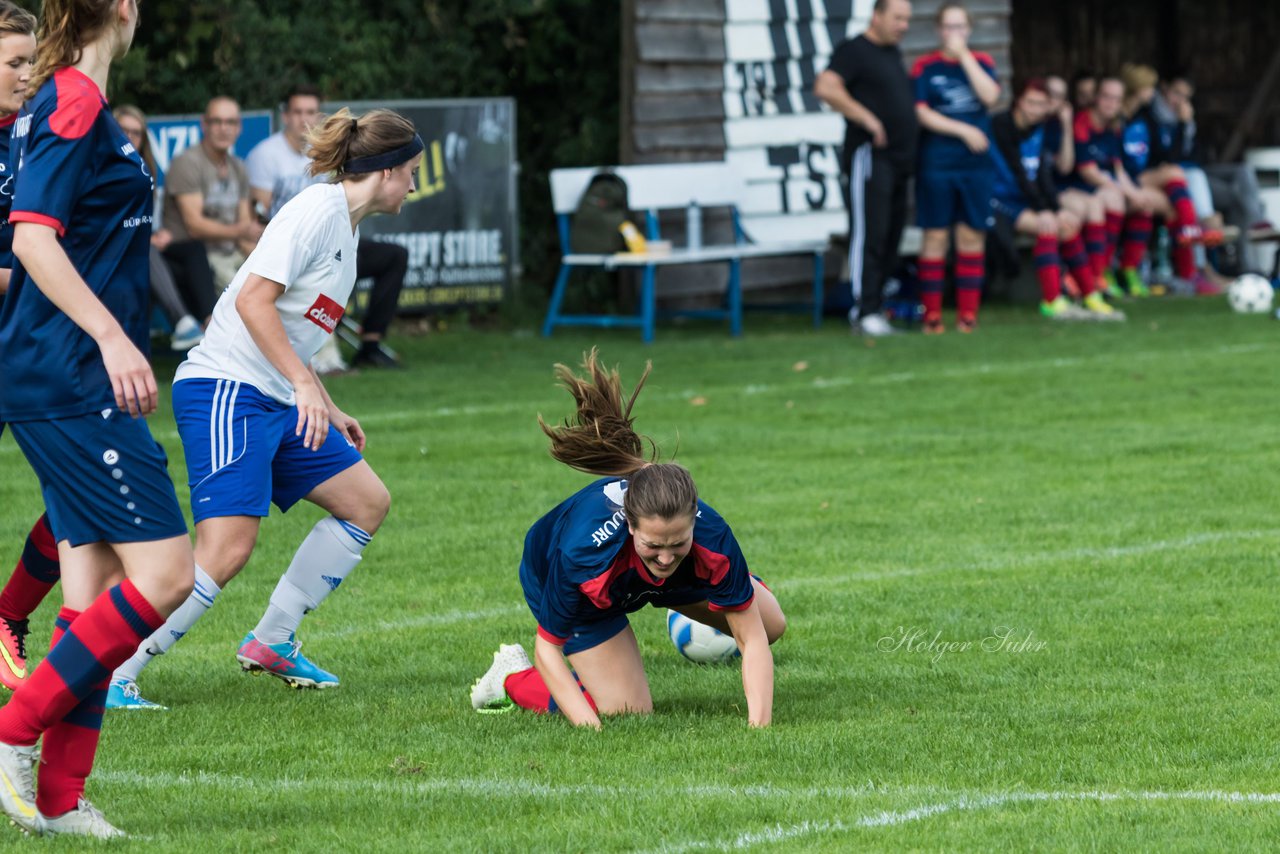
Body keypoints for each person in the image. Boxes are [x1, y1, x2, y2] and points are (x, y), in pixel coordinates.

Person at [106, 107, 417, 709]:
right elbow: (253, 302)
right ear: (383, 172)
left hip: (278, 395)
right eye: (411, 171)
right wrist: (305, 384)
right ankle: (115, 670)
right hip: (227, 390)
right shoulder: (315, 212)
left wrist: (326, 398)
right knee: (226, 548)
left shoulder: (346, 230)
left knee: (366, 502)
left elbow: (296, 329)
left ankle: (271, 640)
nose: (413, 184)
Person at [0, 0, 195, 838]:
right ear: (122, 8)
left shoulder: (64, 97)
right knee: (167, 575)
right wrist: (114, 338)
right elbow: (33, 239)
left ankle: (59, 798)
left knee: (93, 599)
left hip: (62, 378)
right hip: (75, 379)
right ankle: (10, 730)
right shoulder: (73, 98)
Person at [469, 351, 786, 729]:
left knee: (769, 627)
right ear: (631, 526)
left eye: (678, 543)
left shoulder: (712, 535)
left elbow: (753, 640)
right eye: (654, 545)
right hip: (573, 584)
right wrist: (592, 729)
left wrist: (759, 729)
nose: (666, 557)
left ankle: (732, 590)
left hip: (663, 580)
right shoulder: (583, 555)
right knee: (626, 711)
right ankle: (509, 678)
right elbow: (548, 649)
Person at [246, 84, 408, 368]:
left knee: (395, 255)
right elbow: (259, 216)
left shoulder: (335, 155)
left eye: (310, 111)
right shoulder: (267, 155)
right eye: (297, 112)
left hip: (330, 240)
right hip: (287, 244)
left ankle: (370, 343)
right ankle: (323, 361)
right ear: (285, 116)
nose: (304, 119)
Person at [0, 1, 61, 699]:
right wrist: (48, 273)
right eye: (16, 63)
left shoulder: (41, 129)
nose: (27, 76)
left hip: (41, 342)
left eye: (31, 63)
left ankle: (10, 614)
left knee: (82, 497)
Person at [814, 0, 917, 338]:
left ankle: (878, 308)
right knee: (870, 232)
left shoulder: (892, 53)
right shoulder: (855, 50)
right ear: (877, 15)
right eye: (897, 18)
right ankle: (864, 311)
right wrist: (867, 118)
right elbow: (826, 86)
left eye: (907, 19)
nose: (903, 25)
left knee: (891, 234)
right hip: (870, 157)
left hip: (900, 160)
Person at [988, 79, 1120, 320]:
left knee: (1067, 226)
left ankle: (1091, 295)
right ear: (1019, 101)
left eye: (1041, 104)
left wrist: (1056, 208)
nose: (1035, 109)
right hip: (998, 199)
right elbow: (1018, 173)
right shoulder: (1001, 125)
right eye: (1031, 103)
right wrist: (1044, 211)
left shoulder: (1040, 128)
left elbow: (1041, 175)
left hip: (1022, 198)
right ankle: (1052, 301)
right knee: (1046, 226)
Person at [910, 2, 1000, 334]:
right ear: (938, 31)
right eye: (948, 27)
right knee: (935, 234)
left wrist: (964, 57)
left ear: (969, 31)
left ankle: (967, 315)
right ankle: (931, 315)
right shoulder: (925, 67)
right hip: (938, 160)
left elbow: (990, 96)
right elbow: (921, 112)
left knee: (971, 234)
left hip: (975, 165)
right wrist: (963, 130)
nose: (954, 34)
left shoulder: (983, 63)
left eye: (960, 27)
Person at [112, 104, 215, 350]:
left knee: (193, 250)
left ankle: (210, 325)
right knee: (145, 252)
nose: (128, 137)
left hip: (145, 249)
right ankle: (182, 322)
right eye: (122, 130)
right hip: (115, 252)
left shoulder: (144, 172)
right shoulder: (99, 169)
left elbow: (148, 221)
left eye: (135, 132)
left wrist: (160, 235)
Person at [1118, 63, 1219, 296]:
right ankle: (1199, 241)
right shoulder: (1124, 118)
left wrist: (1185, 125)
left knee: (1175, 207)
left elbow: (1170, 156)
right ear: (1137, 89)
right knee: (1175, 175)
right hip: (1122, 182)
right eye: (1149, 88)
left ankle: (1187, 273)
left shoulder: (1144, 117)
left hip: (1139, 181)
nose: (1153, 93)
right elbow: (1117, 162)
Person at [164, 96, 264, 292]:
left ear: (239, 128)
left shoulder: (239, 167)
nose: (223, 128)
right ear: (204, 125)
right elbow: (195, 227)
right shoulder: (187, 162)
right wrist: (242, 230)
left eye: (230, 122)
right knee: (246, 295)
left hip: (233, 254)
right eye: (216, 121)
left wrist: (265, 261)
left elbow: (244, 226)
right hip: (198, 259)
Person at [1063, 76, 1139, 297]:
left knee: (1142, 203)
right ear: (1096, 97)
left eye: (1117, 99)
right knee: (1111, 200)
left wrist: (1134, 193)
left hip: (1098, 187)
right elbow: (1088, 172)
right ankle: (1093, 274)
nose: (1111, 104)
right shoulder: (1082, 122)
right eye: (1107, 97)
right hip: (1075, 185)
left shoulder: (1113, 127)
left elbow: (1118, 169)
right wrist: (1122, 190)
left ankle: (1108, 272)